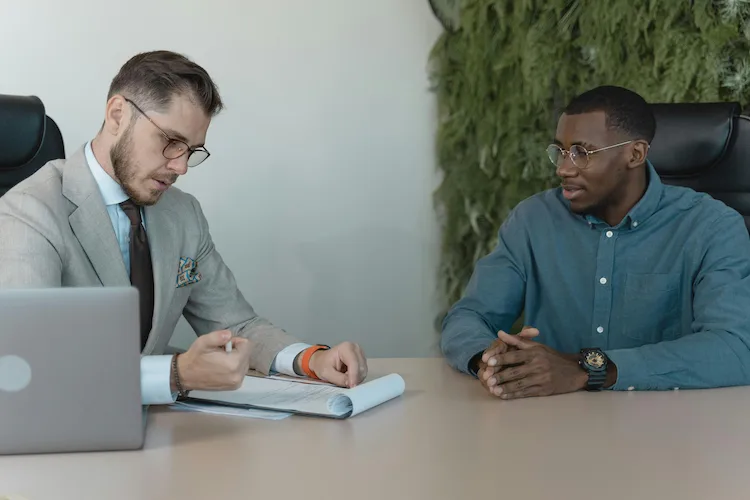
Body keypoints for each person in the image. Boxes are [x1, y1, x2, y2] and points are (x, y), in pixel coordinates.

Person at [0, 50, 367, 405]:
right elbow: (29, 364)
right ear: (117, 115)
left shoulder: (183, 213)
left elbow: (237, 325)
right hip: (65, 441)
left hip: (159, 435)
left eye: (191, 150)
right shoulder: (29, 211)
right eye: (171, 142)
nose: (181, 168)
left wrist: (310, 360)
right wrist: (176, 374)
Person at [441, 85, 750, 399]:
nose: (563, 168)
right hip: (548, 419)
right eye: (559, 151)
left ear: (635, 154)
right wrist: (491, 359)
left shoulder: (711, 227)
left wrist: (587, 368)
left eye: (581, 153)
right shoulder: (533, 220)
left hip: (665, 425)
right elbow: (468, 317)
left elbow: (736, 348)